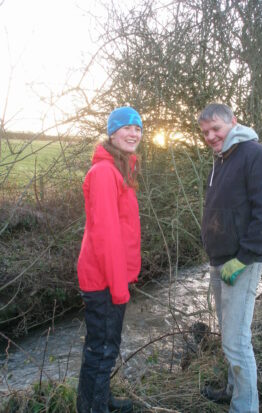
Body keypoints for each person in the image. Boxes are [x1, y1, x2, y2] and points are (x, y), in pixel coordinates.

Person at [198, 103, 262, 413]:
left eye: (216, 129)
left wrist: (244, 257)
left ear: (233, 122)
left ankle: (244, 407)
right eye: (205, 132)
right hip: (220, 259)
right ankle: (233, 391)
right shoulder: (221, 160)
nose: (211, 136)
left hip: (241, 262)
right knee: (228, 335)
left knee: (236, 340)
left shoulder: (256, 156)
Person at [76, 106, 143, 413]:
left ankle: (98, 400)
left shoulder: (120, 170)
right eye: (127, 128)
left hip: (111, 276)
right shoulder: (104, 173)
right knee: (102, 349)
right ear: (112, 133)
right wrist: (119, 286)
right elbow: (107, 236)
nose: (133, 133)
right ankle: (93, 408)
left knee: (105, 346)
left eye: (138, 129)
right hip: (103, 278)